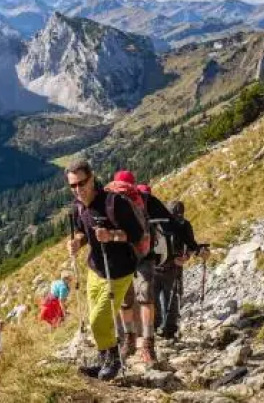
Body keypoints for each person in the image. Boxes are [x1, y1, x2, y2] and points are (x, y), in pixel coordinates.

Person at [65, 160, 145, 380]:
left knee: (98, 319)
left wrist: (111, 236)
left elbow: (137, 234)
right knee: (97, 318)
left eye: (82, 183)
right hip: (96, 268)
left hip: (119, 270)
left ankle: (114, 360)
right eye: (73, 185)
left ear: (91, 179)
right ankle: (103, 360)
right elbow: (82, 231)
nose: (78, 189)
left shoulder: (114, 203)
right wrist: (77, 242)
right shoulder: (78, 206)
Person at [109, 170, 162, 367]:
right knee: (143, 298)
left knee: (128, 300)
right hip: (142, 254)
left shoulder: (111, 201)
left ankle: (132, 340)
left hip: (127, 257)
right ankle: (144, 343)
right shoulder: (143, 199)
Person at [153, 200, 209, 339]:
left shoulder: (183, 225)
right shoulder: (159, 223)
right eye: (175, 215)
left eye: (179, 215)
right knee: (158, 298)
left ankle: (168, 330)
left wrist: (186, 257)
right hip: (158, 266)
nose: (177, 219)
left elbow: (190, 245)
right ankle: (156, 328)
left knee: (171, 296)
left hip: (171, 266)